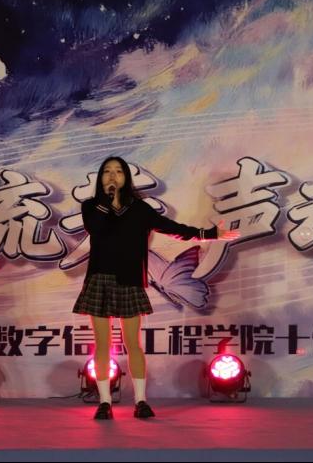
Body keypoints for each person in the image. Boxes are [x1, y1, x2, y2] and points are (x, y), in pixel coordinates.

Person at [73, 156, 240, 420]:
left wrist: (208, 234)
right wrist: (107, 202)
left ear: (126, 177)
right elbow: (95, 228)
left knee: (133, 343)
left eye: (118, 171)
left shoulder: (139, 209)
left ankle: (141, 401)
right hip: (100, 279)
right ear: (101, 178)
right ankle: (104, 402)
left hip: (130, 279)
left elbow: (172, 228)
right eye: (107, 172)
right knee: (102, 345)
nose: (113, 176)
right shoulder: (92, 207)